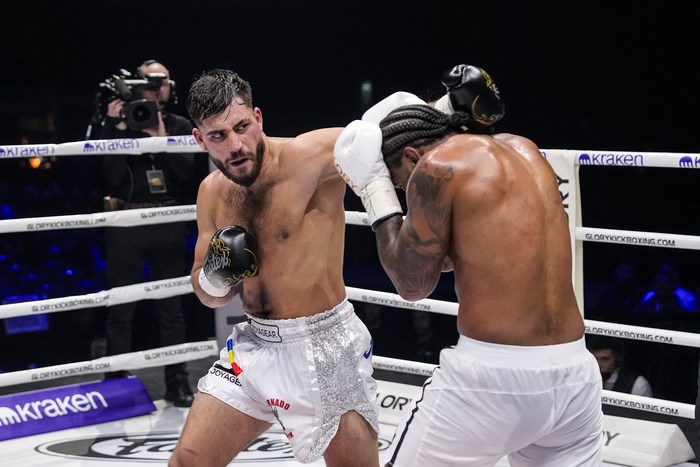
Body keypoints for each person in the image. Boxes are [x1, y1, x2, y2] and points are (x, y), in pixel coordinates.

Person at [170, 67, 490, 466]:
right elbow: (205, 292)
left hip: (323, 346)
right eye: (218, 136)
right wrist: (216, 277)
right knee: (187, 462)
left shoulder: (308, 156)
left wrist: (448, 105)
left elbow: (379, 129)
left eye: (241, 127)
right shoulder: (211, 193)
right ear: (200, 139)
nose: (235, 145)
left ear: (258, 118)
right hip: (252, 346)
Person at [334, 65, 604, 466]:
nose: (406, 197)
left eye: (400, 184)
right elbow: (465, 254)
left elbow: (412, 284)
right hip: (576, 378)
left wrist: (375, 189)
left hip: (493, 382)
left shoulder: (437, 166)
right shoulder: (526, 151)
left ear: (412, 156)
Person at [95, 59, 197, 407]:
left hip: (168, 222)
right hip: (126, 222)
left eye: (161, 81)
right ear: (135, 87)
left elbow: (186, 173)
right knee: (120, 309)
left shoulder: (180, 125)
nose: (155, 88)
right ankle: (114, 386)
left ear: (171, 86)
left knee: (171, 310)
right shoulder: (121, 123)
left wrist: (161, 139)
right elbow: (110, 176)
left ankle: (177, 383)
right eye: (148, 82)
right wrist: (116, 127)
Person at [586, 335, 653, 397]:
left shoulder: (637, 385)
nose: (598, 365)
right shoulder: (582, 378)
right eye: (594, 359)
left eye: (604, 360)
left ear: (617, 360)